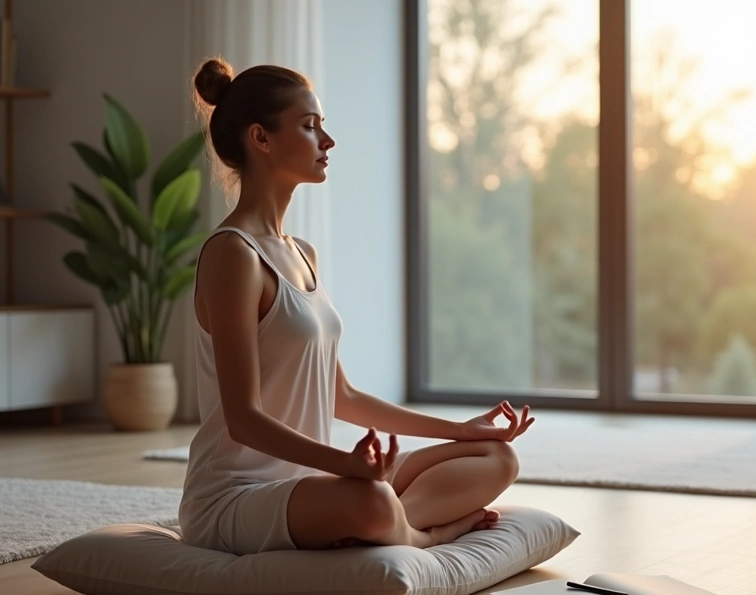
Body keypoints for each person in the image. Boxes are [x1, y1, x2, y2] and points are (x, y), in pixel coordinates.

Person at [178, 57, 533, 556]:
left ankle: (381, 523)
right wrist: (346, 466)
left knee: (497, 456)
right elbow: (243, 419)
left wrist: (459, 430)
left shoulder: (303, 253)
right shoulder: (232, 254)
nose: (328, 141)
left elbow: (341, 394)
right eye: (310, 126)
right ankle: (426, 534)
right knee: (371, 500)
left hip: (319, 482)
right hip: (238, 498)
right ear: (261, 138)